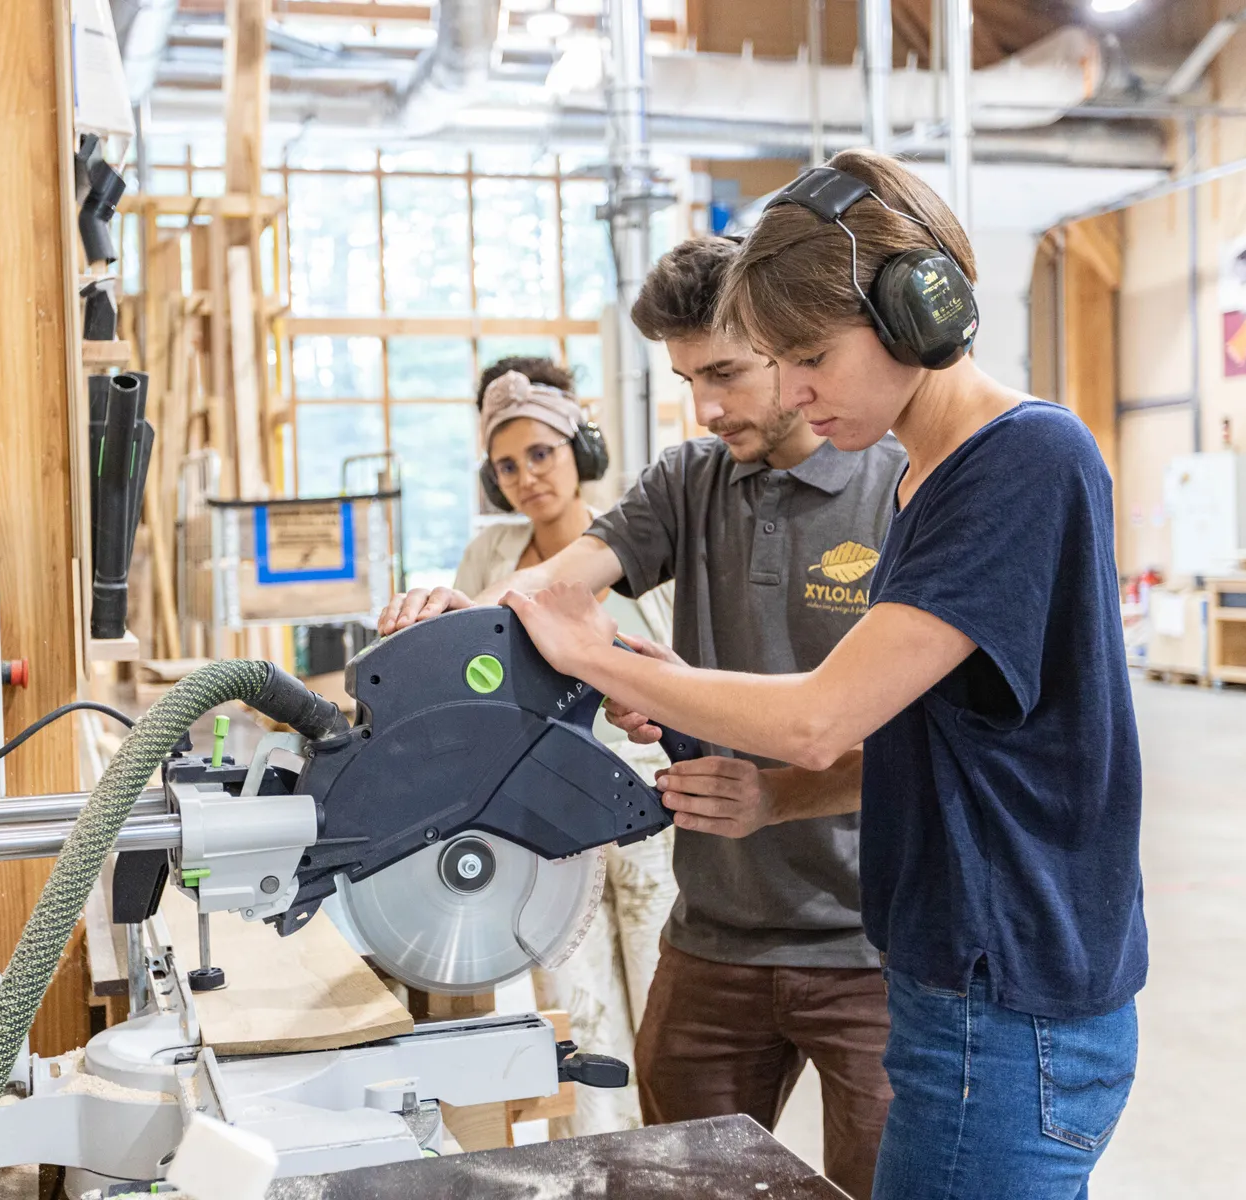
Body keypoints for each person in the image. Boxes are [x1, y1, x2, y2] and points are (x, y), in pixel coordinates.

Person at [501, 149, 1146, 1200]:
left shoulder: (1024, 460)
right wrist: (764, 786)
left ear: (916, 316)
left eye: (807, 356)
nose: (793, 393)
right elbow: (926, 741)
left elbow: (819, 717)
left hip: (1009, 1003)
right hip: (950, 984)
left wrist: (589, 648)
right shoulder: (928, 483)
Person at [379, 241, 903, 1199]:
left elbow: (924, 740)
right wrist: (461, 614)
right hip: (715, 936)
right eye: (687, 379)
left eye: (726, 374)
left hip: (870, 952)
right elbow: (551, 588)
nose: (705, 407)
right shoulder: (688, 480)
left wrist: (780, 795)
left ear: (790, 349)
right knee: (671, 1182)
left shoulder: (897, 489)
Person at [455, 357, 678, 1139]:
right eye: (506, 465)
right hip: (540, 814)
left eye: (540, 454)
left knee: (664, 1008)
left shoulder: (645, 541)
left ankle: (672, 1176)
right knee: (575, 1022)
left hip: (650, 805)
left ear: (577, 446)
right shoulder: (488, 560)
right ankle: (597, 1173)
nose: (526, 478)